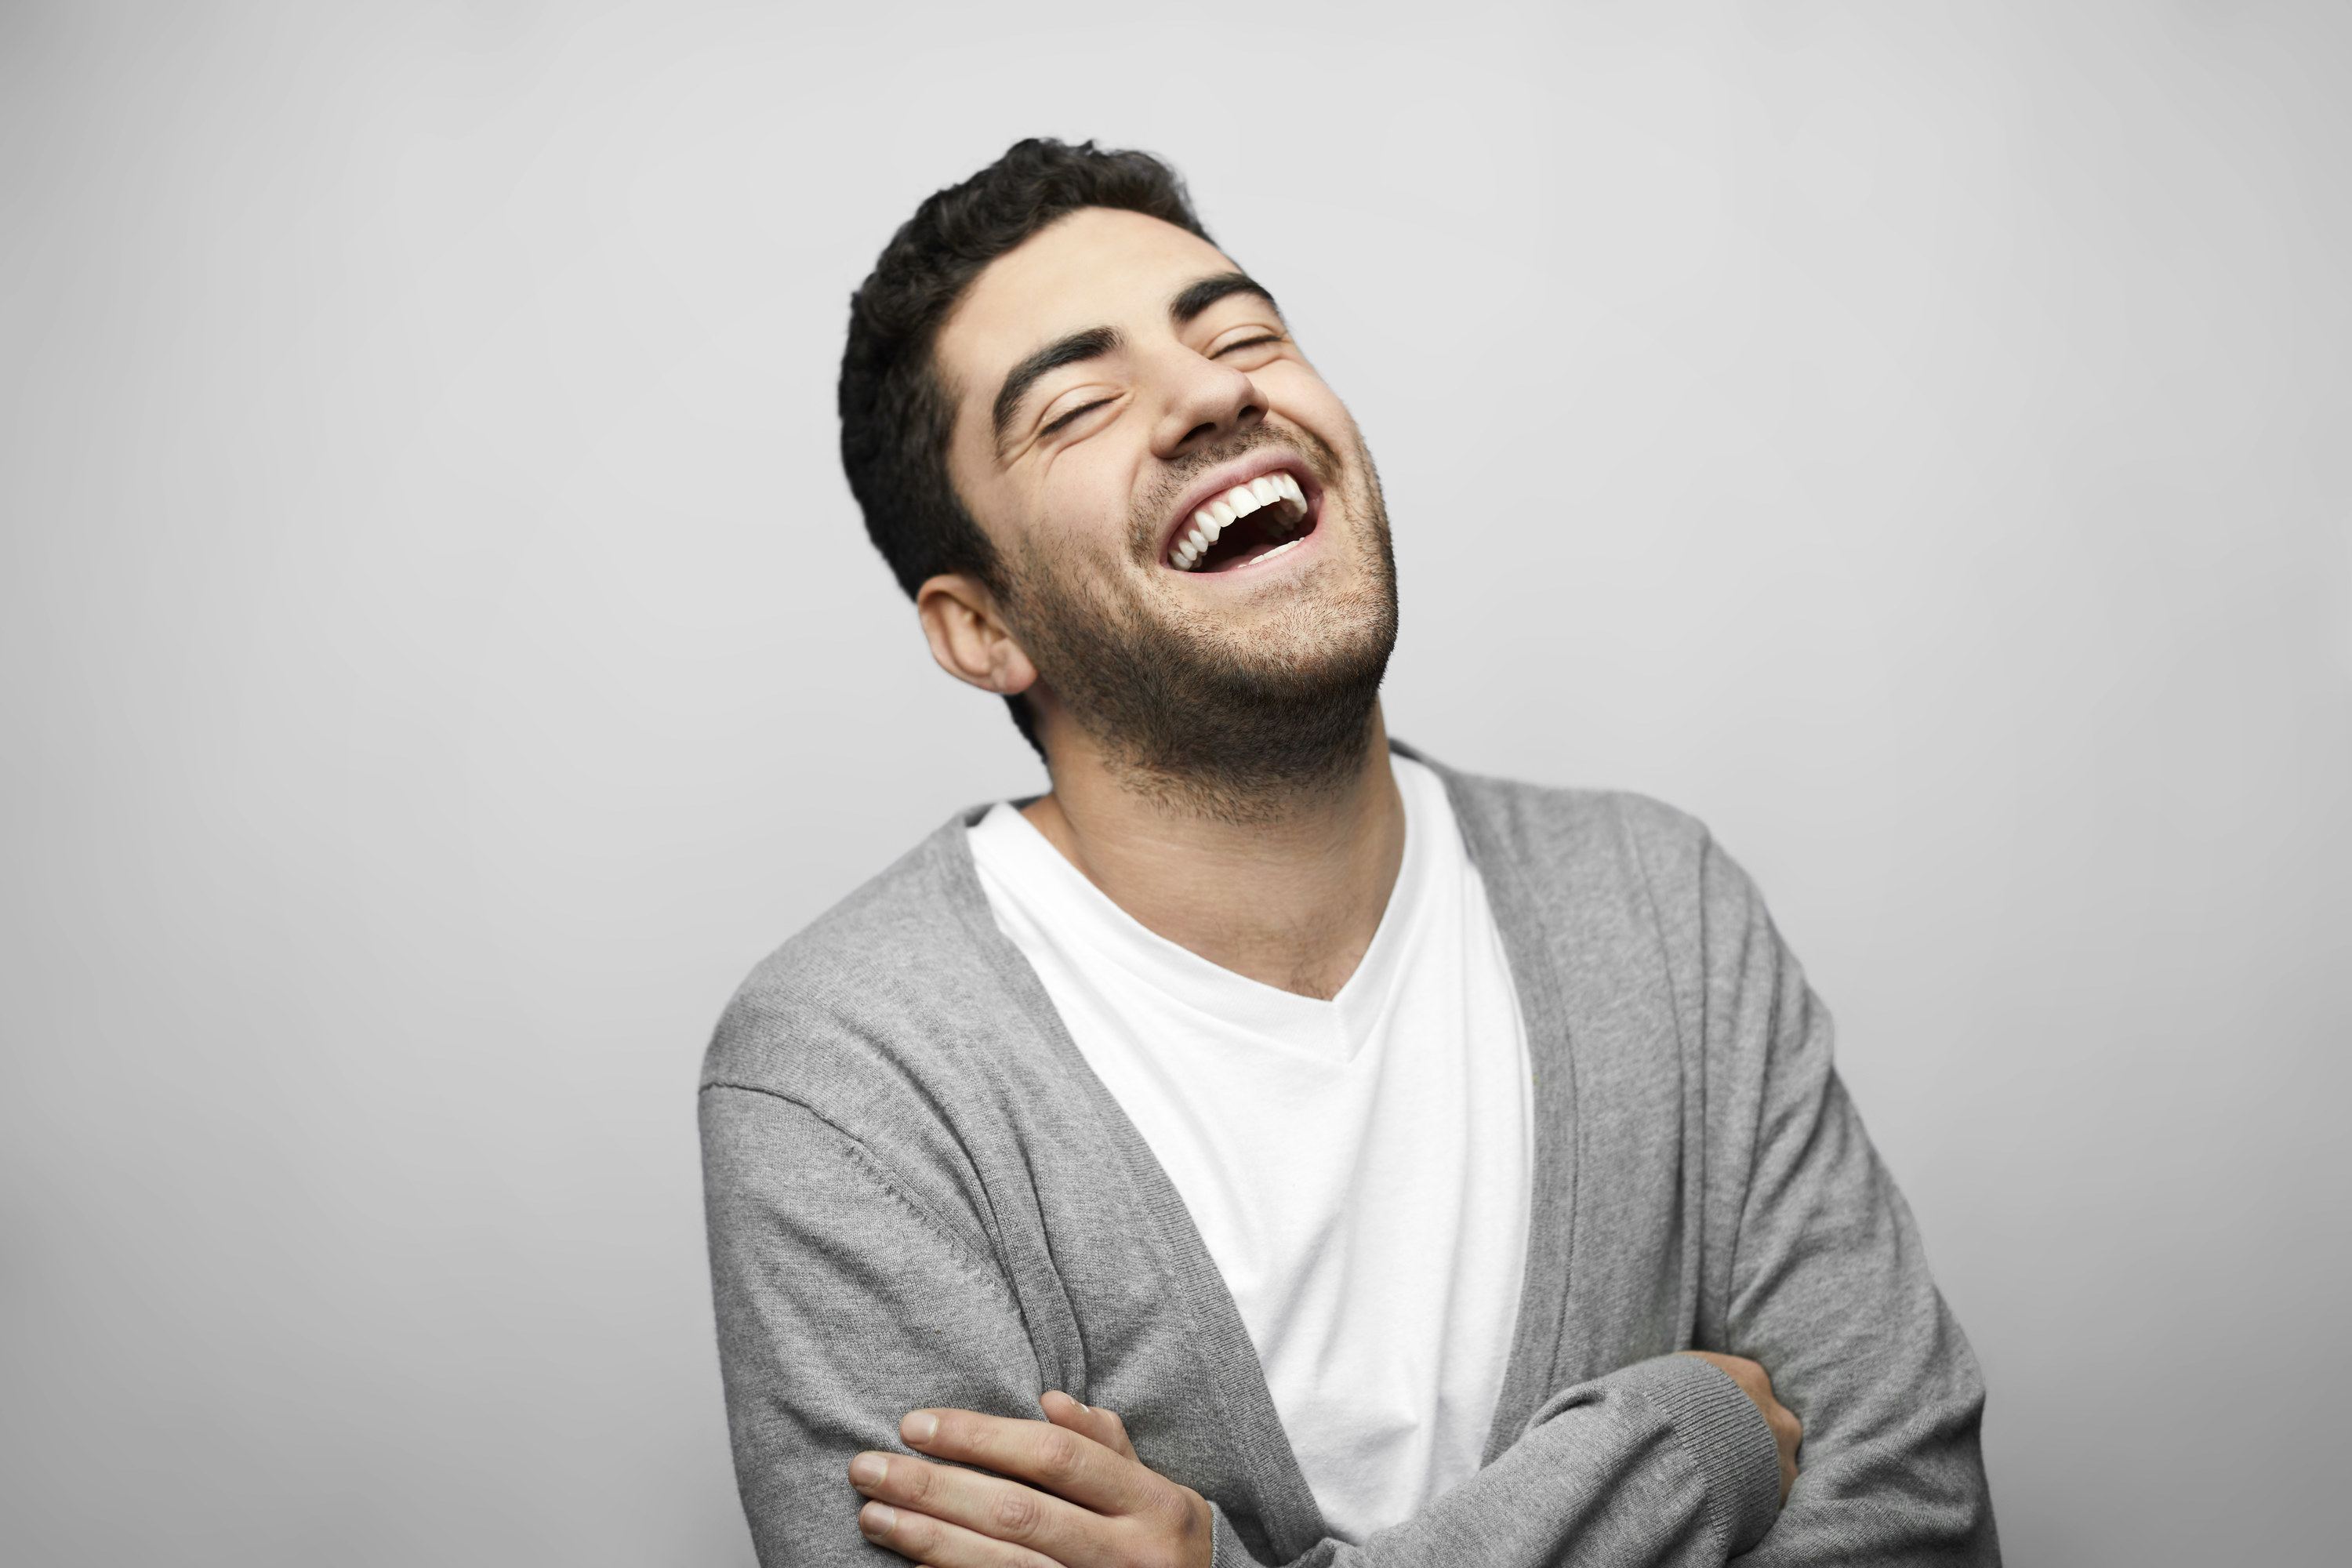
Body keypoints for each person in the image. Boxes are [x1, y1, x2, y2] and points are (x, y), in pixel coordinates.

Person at [699, 138, 1998, 1567]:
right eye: (1078, 403)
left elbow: (1918, 1532)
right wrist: (1680, 1447)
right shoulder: (853, 1074)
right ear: (981, 628)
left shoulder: (1660, 908)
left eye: (1245, 333)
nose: (1212, 392)